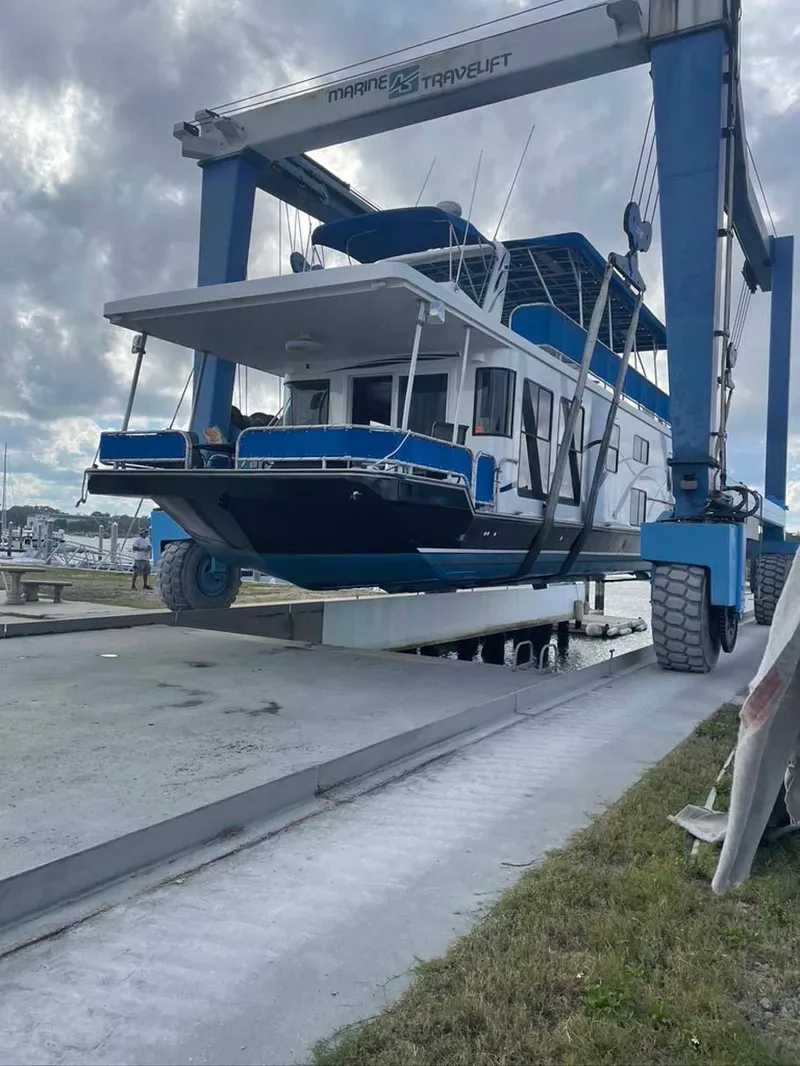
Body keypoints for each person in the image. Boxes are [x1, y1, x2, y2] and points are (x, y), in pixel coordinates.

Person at [131, 526, 152, 591]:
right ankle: (133, 585)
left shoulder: (147, 540)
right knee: (136, 572)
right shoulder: (138, 540)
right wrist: (143, 549)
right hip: (139, 558)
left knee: (146, 572)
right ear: (142, 533)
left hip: (146, 558)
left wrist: (148, 549)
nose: (147, 533)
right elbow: (134, 548)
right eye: (145, 532)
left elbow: (150, 546)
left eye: (147, 532)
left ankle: (145, 585)